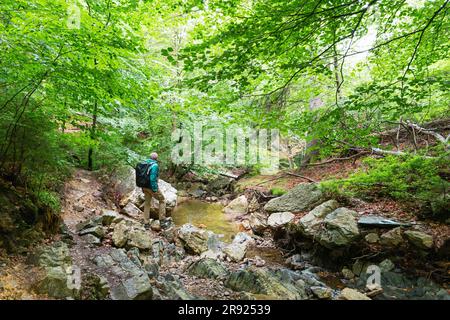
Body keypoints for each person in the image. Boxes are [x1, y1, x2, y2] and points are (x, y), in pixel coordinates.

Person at [142, 152, 166, 225]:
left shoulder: (144, 163)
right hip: (151, 187)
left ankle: (146, 223)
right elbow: (152, 179)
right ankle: (162, 220)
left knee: (147, 204)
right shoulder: (155, 165)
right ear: (156, 158)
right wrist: (155, 189)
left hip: (144, 186)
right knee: (162, 200)